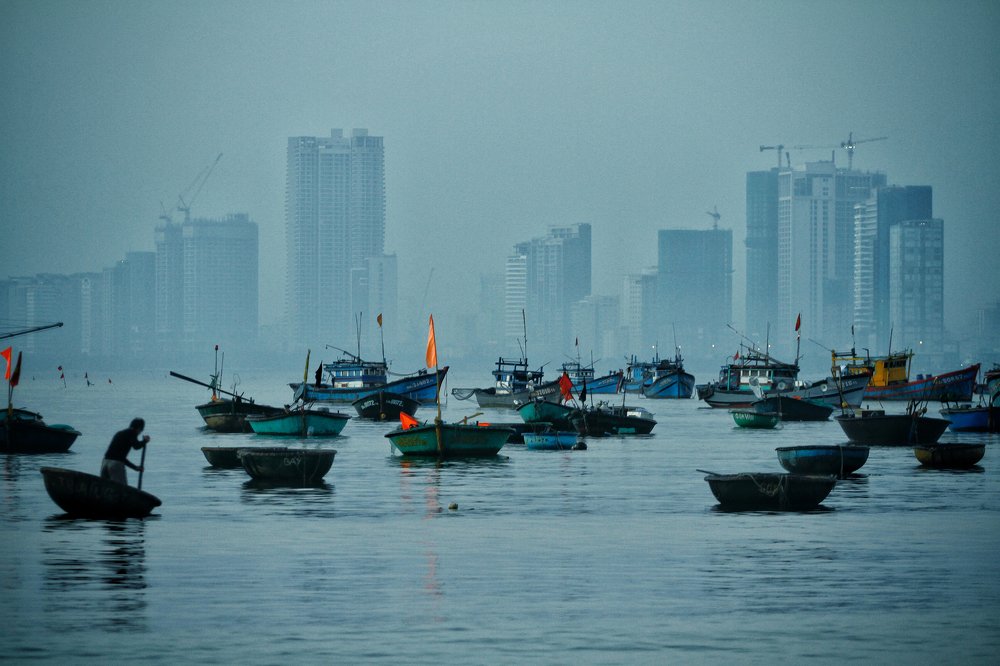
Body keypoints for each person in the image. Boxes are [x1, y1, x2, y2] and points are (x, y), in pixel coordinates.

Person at [101, 418, 150, 485]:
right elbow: (136, 446)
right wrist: (144, 441)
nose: (140, 433)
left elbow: (121, 458)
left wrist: (135, 467)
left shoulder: (119, 433)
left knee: (104, 486)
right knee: (121, 489)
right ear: (139, 428)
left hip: (105, 462)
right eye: (141, 430)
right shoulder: (132, 433)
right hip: (115, 465)